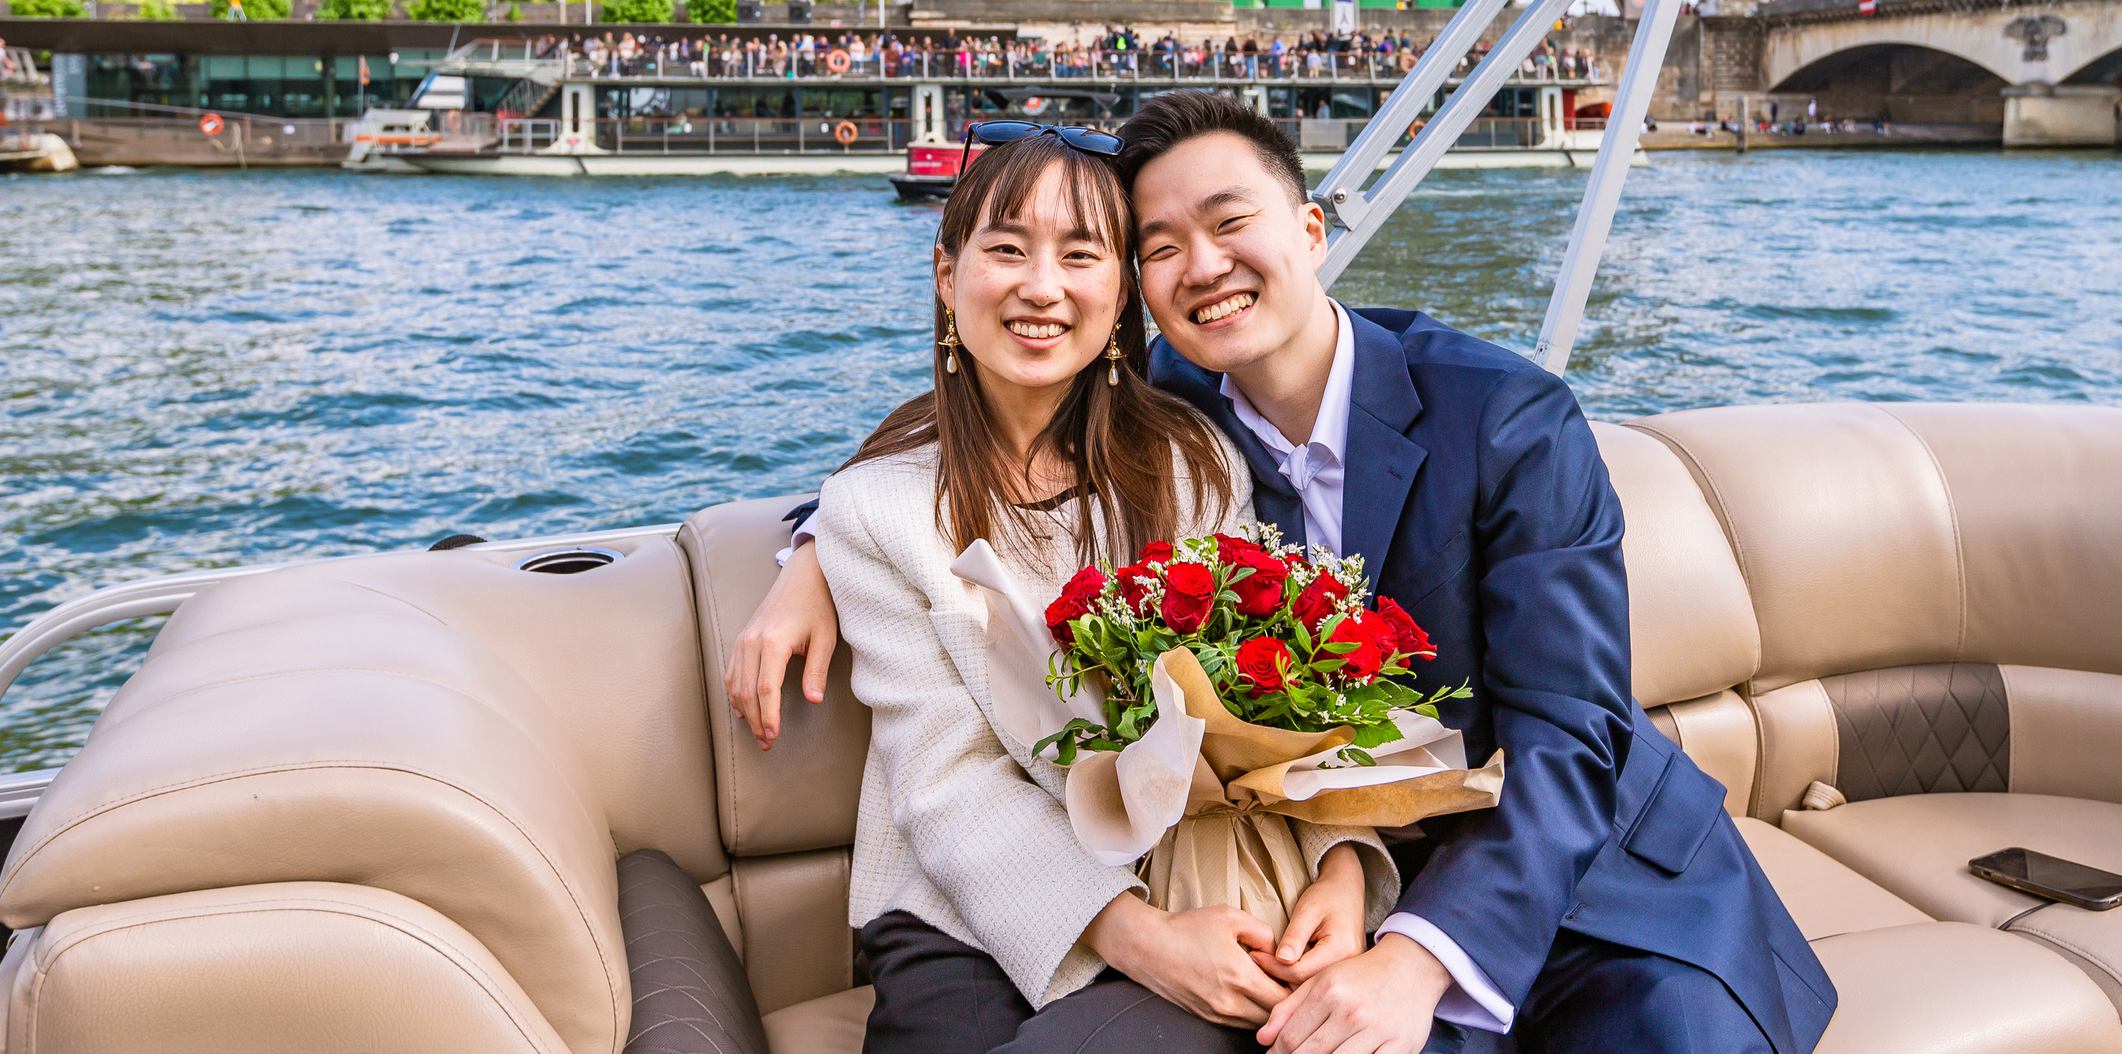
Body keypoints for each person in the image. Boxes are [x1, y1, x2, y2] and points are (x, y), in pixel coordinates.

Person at [734, 91, 1834, 1054]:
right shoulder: (1182, 410)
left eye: (1228, 224)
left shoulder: (1506, 418)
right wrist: (814, 547)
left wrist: (1412, 951)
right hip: (1318, 886)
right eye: (1158, 245)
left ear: (1309, 229)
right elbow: (972, 435)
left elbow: (1568, 734)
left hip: (1579, 870)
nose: (1201, 267)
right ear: (1140, 296)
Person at [809, 124, 1394, 1054]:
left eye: (1081, 255)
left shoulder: (1190, 460)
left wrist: (1343, 863)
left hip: (1192, 866)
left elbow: (1272, 686)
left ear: (1119, 292)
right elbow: (946, 781)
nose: (1043, 287)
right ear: (944, 275)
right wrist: (1142, 940)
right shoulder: (873, 509)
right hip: (966, 903)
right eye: (1007, 250)